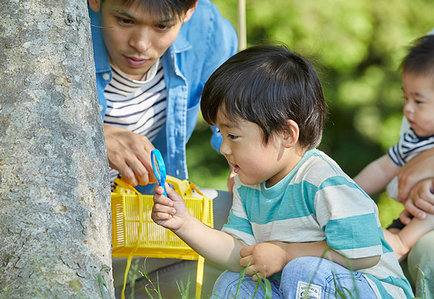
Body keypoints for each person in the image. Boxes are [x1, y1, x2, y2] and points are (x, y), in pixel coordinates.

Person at [152, 45, 413, 298]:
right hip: (297, 287)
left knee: (302, 270)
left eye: (232, 135)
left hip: (371, 287)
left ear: (286, 134)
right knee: (233, 283)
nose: (223, 148)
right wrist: (185, 224)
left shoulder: (321, 179)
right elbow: (241, 254)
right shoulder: (248, 185)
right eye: (221, 134)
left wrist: (286, 253)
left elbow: (364, 251)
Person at [88, 0, 238, 297]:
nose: (140, 44)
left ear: (189, 10)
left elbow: (239, 124)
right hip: (75, 220)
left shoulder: (207, 30)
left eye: (162, 26)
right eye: (125, 21)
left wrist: (248, 174)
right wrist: (95, 138)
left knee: (236, 218)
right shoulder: (55, 29)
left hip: (139, 214)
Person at [354, 34, 434, 298]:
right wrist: (346, 191)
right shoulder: (414, 139)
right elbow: (382, 168)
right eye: (405, 99)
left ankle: (401, 243)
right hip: (409, 219)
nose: (408, 109)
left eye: (419, 101)